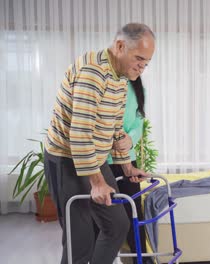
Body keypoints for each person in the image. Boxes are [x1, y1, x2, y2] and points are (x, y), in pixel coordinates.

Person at [43, 23, 155, 264]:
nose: (141, 67)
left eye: (146, 63)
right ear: (120, 46)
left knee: (117, 224)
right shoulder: (93, 72)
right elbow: (81, 132)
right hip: (66, 158)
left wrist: (127, 167)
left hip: (94, 155)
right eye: (138, 59)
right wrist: (96, 184)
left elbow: (115, 127)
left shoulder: (121, 78)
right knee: (80, 240)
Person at [107, 76, 152, 264]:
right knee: (105, 215)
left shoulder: (139, 89)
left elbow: (138, 123)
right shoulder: (108, 85)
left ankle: (141, 260)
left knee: (134, 214)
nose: (140, 67)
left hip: (127, 159)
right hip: (103, 161)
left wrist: (130, 139)